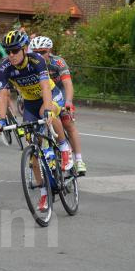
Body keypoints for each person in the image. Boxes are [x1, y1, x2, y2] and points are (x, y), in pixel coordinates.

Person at [0, 30, 73, 210]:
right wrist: (1, 121)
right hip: (30, 104)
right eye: (8, 51)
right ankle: (44, 193)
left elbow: (45, 87)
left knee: (46, 111)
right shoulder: (4, 67)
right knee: (33, 149)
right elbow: (3, 95)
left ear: (24, 49)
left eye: (15, 50)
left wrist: (47, 110)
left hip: (51, 95)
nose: (11, 55)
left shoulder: (36, 61)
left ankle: (63, 147)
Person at [30, 35, 86, 175]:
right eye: (36, 52)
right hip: (43, 94)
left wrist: (68, 102)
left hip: (59, 92)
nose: (39, 55)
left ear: (50, 51)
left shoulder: (58, 62)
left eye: (42, 52)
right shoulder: (31, 63)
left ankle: (79, 160)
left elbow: (67, 83)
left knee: (67, 123)